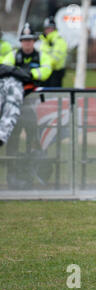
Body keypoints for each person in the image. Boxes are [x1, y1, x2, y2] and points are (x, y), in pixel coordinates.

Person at [1, 23, 53, 189]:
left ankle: (32, 174)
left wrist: (27, 74)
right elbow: (4, 68)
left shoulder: (41, 56)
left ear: (34, 41)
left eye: (30, 40)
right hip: (15, 107)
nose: (27, 44)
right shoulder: (13, 55)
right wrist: (20, 74)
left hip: (34, 107)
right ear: (21, 42)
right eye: (24, 40)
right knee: (13, 141)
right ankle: (12, 174)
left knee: (33, 140)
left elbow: (46, 71)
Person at [39, 16, 68, 87]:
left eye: (50, 28)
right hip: (44, 72)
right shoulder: (44, 41)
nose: (48, 30)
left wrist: (43, 64)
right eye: (46, 28)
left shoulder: (59, 40)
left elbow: (55, 59)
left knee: (54, 95)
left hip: (55, 73)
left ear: (54, 28)